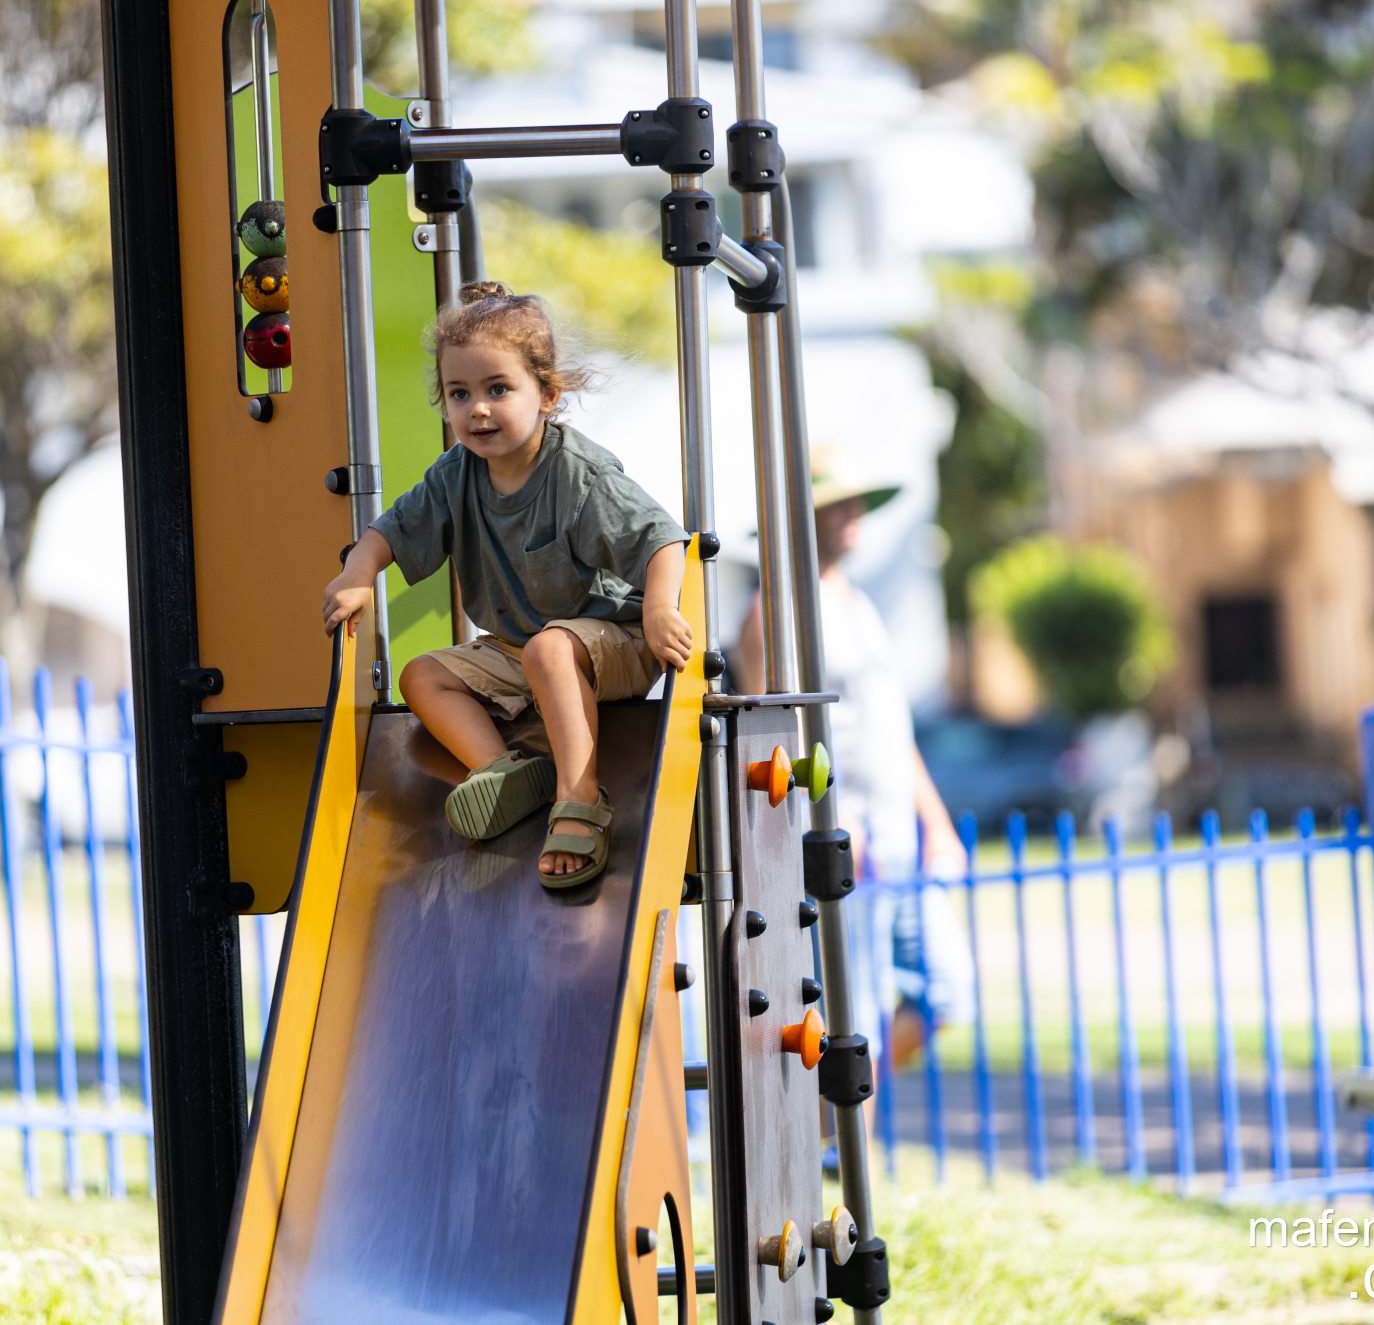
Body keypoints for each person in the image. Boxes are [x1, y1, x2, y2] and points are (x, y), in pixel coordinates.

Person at [323, 281, 692, 887]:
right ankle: (503, 772)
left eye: (499, 389)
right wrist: (358, 573)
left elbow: (663, 540)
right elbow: (392, 527)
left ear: (547, 394)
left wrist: (657, 609)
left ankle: (582, 800)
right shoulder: (457, 473)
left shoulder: (579, 473)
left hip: (614, 645)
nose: (478, 410)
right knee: (423, 675)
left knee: (551, 646)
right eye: (458, 394)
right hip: (522, 649)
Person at [737, 452, 976, 1054]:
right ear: (800, 516)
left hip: (900, 838)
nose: (855, 513)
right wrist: (820, 827)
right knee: (855, 1016)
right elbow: (769, 743)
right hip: (843, 842)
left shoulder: (857, 601)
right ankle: (840, 1141)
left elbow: (893, 733)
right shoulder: (775, 611)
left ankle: (839, 1135)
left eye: (856, 500)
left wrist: (937, 825)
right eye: (836, 502)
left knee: (946, 995)